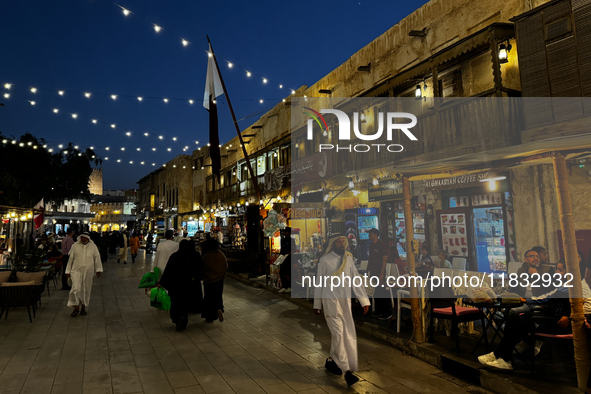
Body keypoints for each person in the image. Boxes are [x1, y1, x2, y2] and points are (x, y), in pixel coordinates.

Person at [478, 261, 572, 370]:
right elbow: (547, 296)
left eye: (561, 270)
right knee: (514, 319)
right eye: (557, 269)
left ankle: (502, 356)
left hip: (554, 322)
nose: (557, 272)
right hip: (546, 315)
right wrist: (527, 300)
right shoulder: (562, 285)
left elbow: (584, 306)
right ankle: (500, 356)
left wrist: (568, 316)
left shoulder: (574, 286)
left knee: (517, 324)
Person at [314, 234, 369, 386]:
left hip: (345, 303)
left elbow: (355, 280)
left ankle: (331, 361)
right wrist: (317, 304)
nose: (341, 244)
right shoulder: (324, 261)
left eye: (342, 241)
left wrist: (364, 300)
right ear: (332, 244)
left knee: (344, 334)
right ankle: (347, 371)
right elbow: (319, 283)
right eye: (338, 242)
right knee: (339, 334)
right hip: (330, 303)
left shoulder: (348, 259)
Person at [159, 240, 203, 331]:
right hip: (187, 286)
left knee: (175, 304)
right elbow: (197, 270)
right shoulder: (191, 257)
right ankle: (183, 319)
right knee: (184, 304)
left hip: (175, 286)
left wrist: (162, 282)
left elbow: (168, 271)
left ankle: (176, 319)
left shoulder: (174, 256)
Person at [65, 232, 103, 317]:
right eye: (81, 238)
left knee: (86, 289)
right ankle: (75, 307)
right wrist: (67, 271)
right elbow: (71, 259)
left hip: (88, 272)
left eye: (84, 238)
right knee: (76, 288)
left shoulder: (93, 247)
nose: (83, 239)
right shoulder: (75, 246)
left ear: (88, 238)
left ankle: (83, 308)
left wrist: (98, 269)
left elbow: (97, 258)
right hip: (76, 271)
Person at [201, 238, 227, 323]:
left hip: (209, 281)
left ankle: (209, 316)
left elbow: (203, 267)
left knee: (209, 297)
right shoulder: (220, 254)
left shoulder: (207, 256)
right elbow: (225, 265)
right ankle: (219, 308)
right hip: (219, 280)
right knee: (218, 295)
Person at [367, 228, 391, 320]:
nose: (369, 235)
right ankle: (378, 311)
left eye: (371, 234)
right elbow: (370, 258)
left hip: (379, 272)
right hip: (373, 272)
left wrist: (381, 273)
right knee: (375, 292)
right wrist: (367, 270)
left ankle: (386, 312)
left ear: (375, 235)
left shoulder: (382, 245)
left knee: (382, 292)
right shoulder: (371, 245)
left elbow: (384, 259)